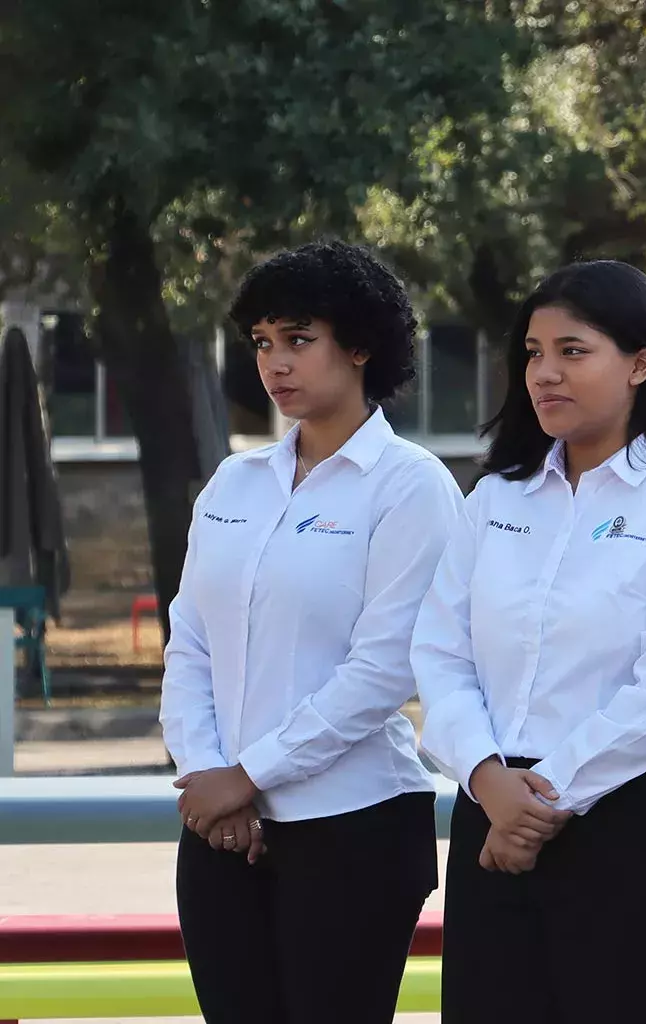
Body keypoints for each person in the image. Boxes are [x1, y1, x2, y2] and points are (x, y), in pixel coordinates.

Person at [411, 261, 646, 1023]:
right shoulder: (495, 498)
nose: (545, 373)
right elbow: (440, 654)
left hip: (633, 825)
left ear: (640, 363)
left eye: (572, 350)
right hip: (490, 818)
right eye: (532, 353)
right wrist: (492, 784)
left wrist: (543, 800)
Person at [159, 240, 462, 1023]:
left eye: (299, 339)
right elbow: (189, 639)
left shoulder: (412, 487)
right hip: (220, 826)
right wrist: (206, 777)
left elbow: (384, 670)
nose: (275, 363)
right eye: (262, 343)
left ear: (360, 345)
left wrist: (249, 775)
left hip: (352, 828)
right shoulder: (236, 481)